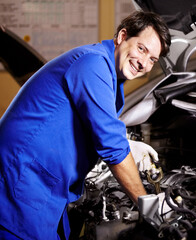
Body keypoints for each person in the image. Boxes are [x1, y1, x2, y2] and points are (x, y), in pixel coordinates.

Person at [0, 11, 171, 240]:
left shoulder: (108, 73)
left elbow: (89, 126)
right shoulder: (93, 64)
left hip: (41, 187)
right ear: (122, 36)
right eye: (141, 49)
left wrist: (128, 145)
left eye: (152, 59)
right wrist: (147, 204)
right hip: (21, 184)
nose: (143, 63)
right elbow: (111, 146)